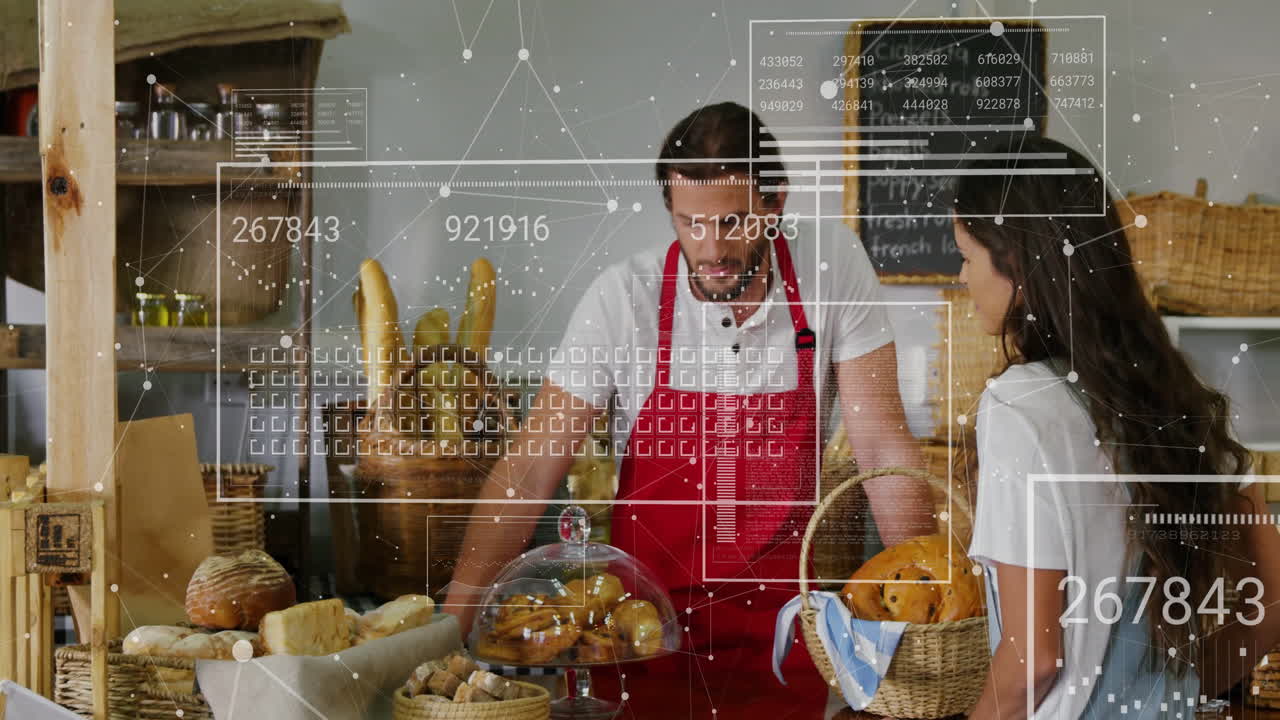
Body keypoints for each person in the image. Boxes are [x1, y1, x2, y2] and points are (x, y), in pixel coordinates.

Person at [442, 102, 937, 715]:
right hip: (642, 635)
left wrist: (935, 601)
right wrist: (453, 621)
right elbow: (530, 467)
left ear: (775, 203)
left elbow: (883, 446)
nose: (711, 248)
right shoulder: (625, 297)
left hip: (783, 638)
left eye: (732, 222)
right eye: (689, 223)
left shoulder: (831, 267)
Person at [957, 135, 1280, 718]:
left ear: (1018, 264)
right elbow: (1271, 601)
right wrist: (1183, 689)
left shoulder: (1018, 408)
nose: (962, 277)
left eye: (967, 254)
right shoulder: (1176, 398)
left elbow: (1033, 662)